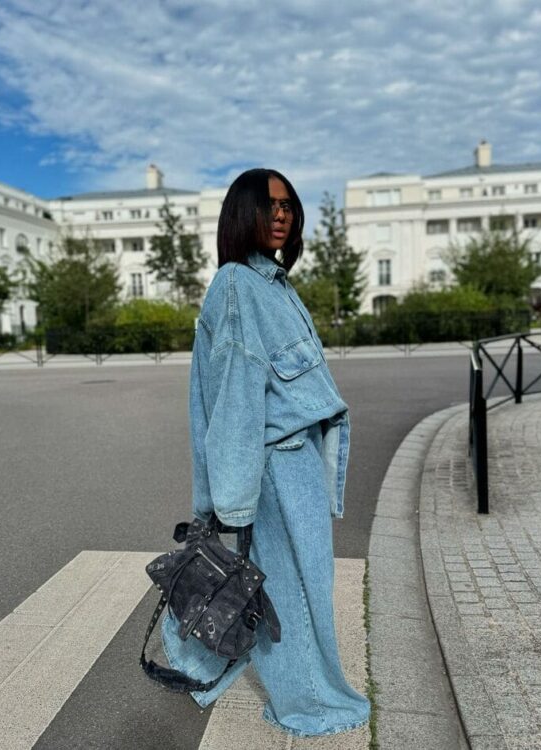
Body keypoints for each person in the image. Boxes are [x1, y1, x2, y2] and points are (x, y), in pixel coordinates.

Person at [161, 168, 371, 737]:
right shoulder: (236, 284)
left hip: (295, 462)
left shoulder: (274, 284)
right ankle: (307, 701)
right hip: (276, 464)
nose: (281, 214)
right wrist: (230, 502)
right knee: (291, 587)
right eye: (269, 205)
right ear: (242, 215)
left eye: (288, 205)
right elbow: (232, 393)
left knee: (304, 580)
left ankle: (306, 686)